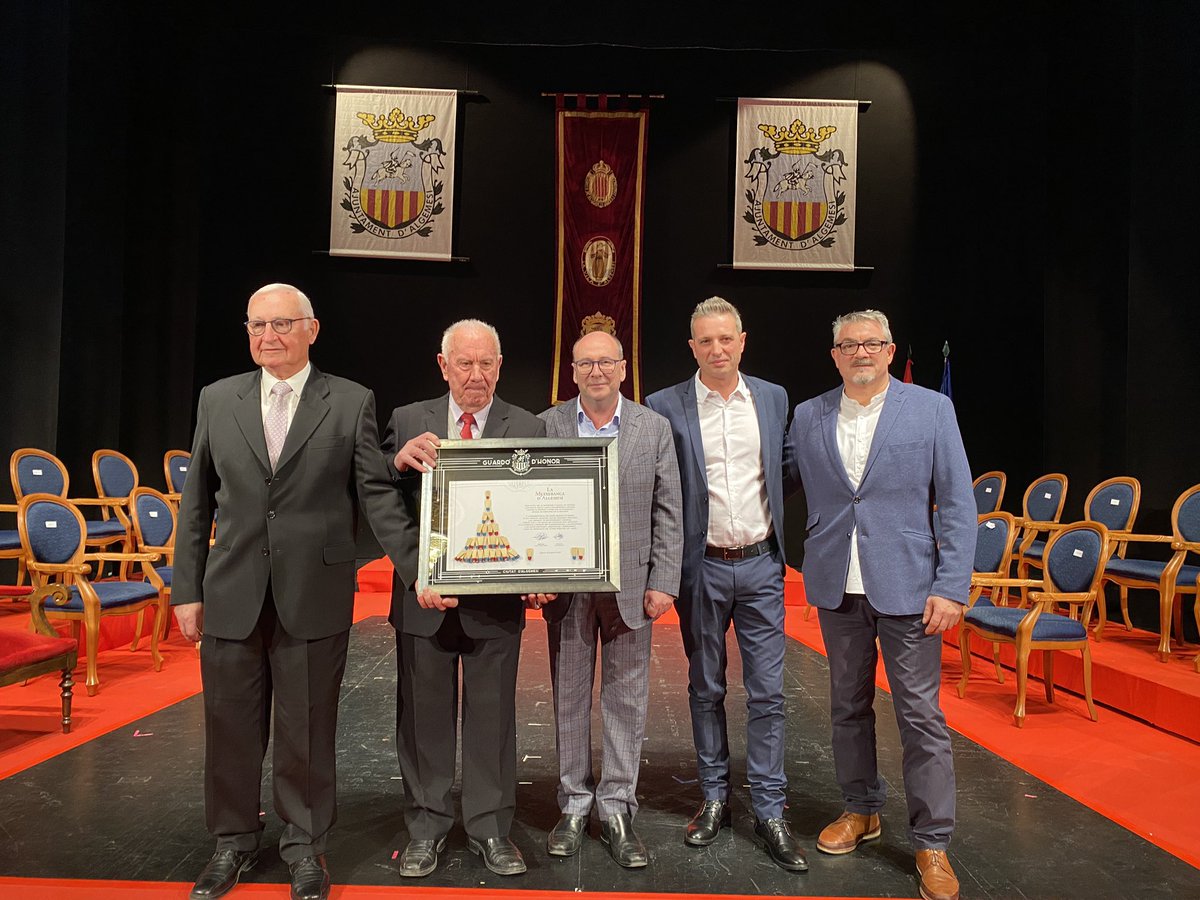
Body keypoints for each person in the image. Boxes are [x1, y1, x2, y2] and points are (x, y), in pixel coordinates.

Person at [173, 283, 416, 900]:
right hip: (231, 591)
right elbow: (197, 503)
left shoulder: (350, 402)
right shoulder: (216, 399)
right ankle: (231, 843)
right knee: (230, 727)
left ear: (312, 329)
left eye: (282, 323)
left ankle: (305, 847)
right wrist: (185, 591)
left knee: (307, 730)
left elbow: (375, 493)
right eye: (256, 325)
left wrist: (421, 567)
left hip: (315, 591)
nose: (268, 335)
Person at [785, 309, 975, 900]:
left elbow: (958, 504)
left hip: (912, 589)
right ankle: (861, 809)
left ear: (890, 351)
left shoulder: (931, 410)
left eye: (872, 344)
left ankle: (932, 843)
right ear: (834, 354)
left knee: (920, 717)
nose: (861, 353)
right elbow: (774, 479)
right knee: (847, 706)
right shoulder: (808, 415)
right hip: (838, 586)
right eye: (849, 345)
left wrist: (950, 587)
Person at [645, 296, 806, 872]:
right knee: (706, 687)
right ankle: (714, 797)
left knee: (769, 693)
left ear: (743, 341)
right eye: (705, 341)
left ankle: (769, 807)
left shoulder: (772, 398)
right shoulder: (663, 405)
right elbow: (660, 487)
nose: (717, 349)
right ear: (692, 347)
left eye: (726, 339)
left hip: (762, 564)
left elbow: (784, 470)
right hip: (701, 568)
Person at [381, 319, 545, 879]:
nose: (476, 376)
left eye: (487, 364)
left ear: (500, 366)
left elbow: (539, 511)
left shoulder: (527, 425)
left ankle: (490, 828)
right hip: (423, 600)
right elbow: (379, 497)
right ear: (442, 364)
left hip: (496, 606)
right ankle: (425, 827)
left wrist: (545, 570)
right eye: (464, 364)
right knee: (422, 719)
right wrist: (395, 460)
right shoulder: (407, 421)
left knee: (493, 720)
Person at [537, 329, 683, 868]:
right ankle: (574, 804)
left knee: (627, 700)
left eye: (606, 362)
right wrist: (535, 571)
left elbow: (669, 507)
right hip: (567, 589)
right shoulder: (547, 424)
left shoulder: (654, 427)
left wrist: (664, 579)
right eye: (585, 363)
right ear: (572, 371)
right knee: (569, 697)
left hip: (631, 590)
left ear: (624, 368)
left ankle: (617, 805)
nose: (596, 371)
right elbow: (532, 503)